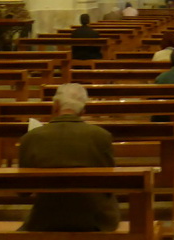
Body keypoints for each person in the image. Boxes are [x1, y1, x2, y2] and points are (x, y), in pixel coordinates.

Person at [18, 83, 119, 232]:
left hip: (45, 219)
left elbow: (23, 191)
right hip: (96, 221)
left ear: (55, 106)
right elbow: (109, 186)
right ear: (83, 110)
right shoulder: (101, 136)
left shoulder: (30, 137)